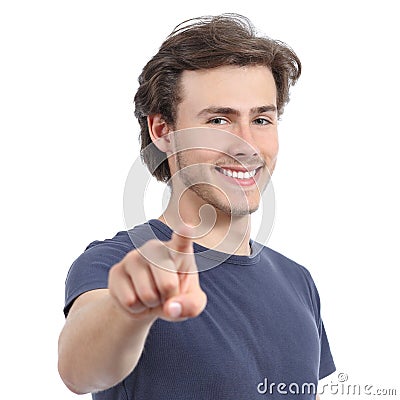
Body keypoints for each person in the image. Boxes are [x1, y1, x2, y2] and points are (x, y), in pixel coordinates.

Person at [58, 14, 336, 400]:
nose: (246, 145)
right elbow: (80, 370)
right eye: (219, 119)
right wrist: (130, 310)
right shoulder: (118, 263)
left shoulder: (298, 281)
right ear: (163, 131)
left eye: (261, 118)